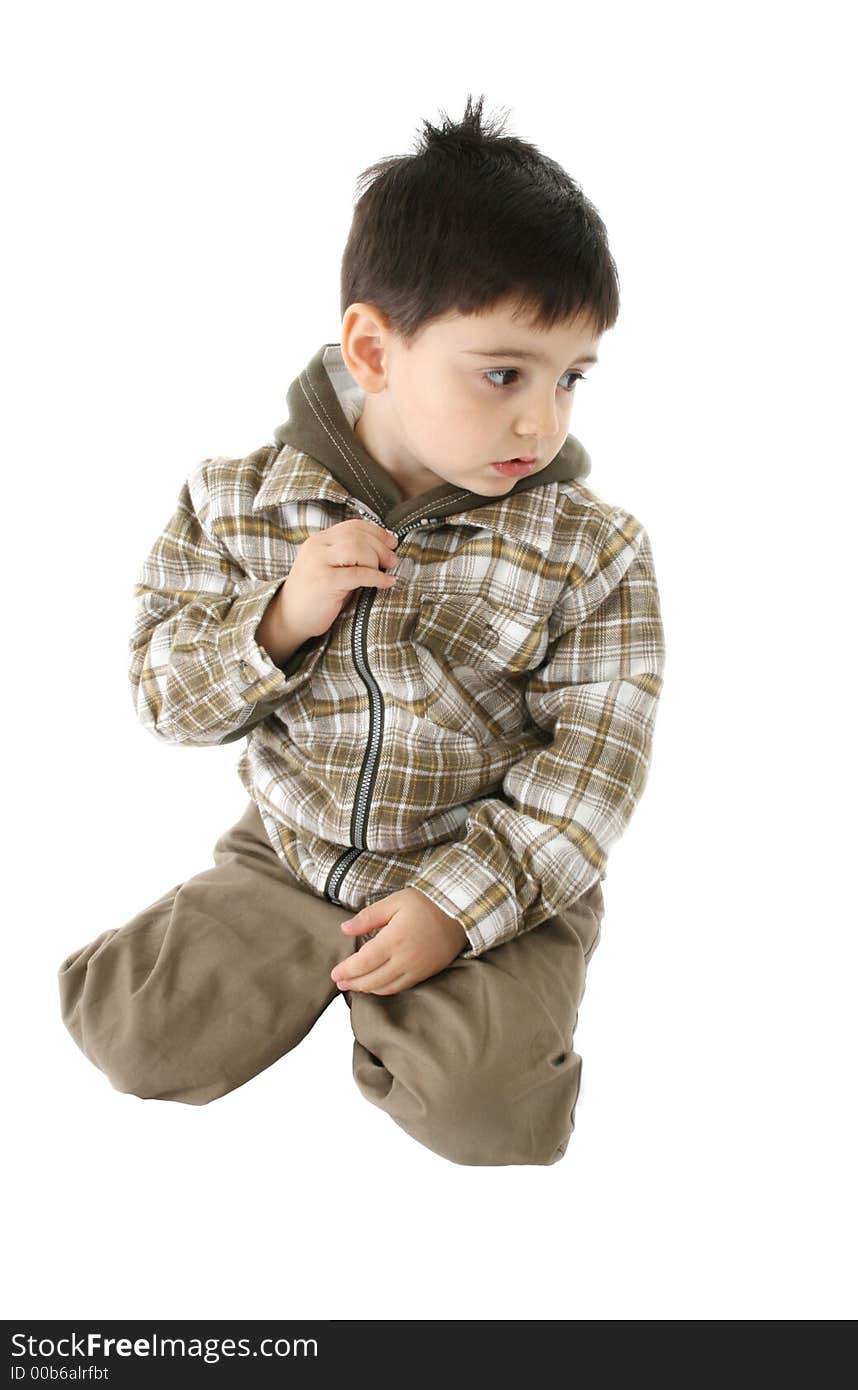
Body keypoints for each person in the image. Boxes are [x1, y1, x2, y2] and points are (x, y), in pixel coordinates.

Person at [57, 93, 666, 1167]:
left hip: (485, 860)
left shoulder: (592, 548)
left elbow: (592, 773)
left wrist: (455, 908)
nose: (542, 419)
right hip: (295, 851)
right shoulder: (238, 501)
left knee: (494, 1123)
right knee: (133, 1043)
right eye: (502, 373)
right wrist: (280, 617)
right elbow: (162, 696)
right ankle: (293, 966)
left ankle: (436, 991)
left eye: (570, 377)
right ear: (374, 350)